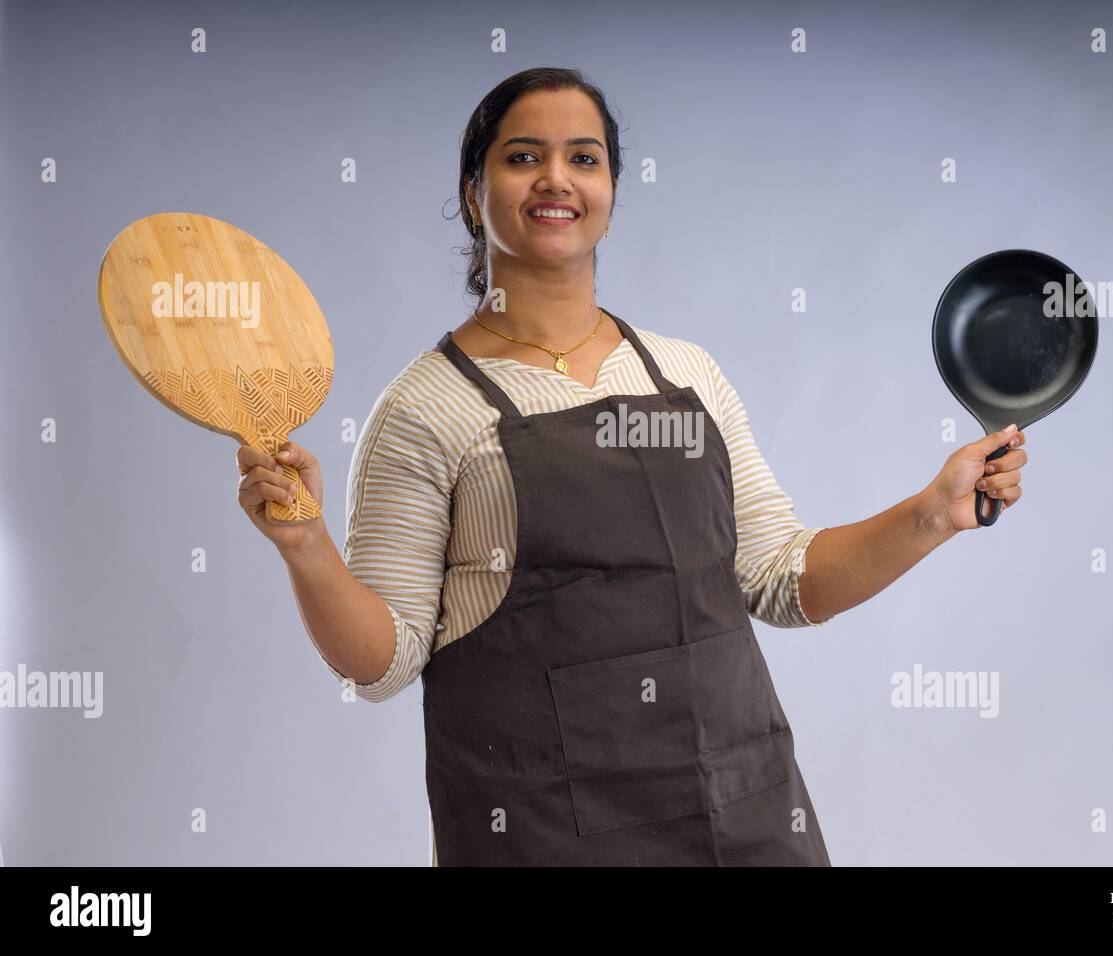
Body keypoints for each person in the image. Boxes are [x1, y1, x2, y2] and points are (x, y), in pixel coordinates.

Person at [235, 68, 1027, 866]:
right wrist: (306, 547)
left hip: (742, 816)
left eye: (584, 158)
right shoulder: (425, 409)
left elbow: (784, 580)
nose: (556, 179)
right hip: (541, 831)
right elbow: (384, 660)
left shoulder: (685, 376)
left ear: (610, 190)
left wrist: (934, 512)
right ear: (474, 194)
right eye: (522, 158)